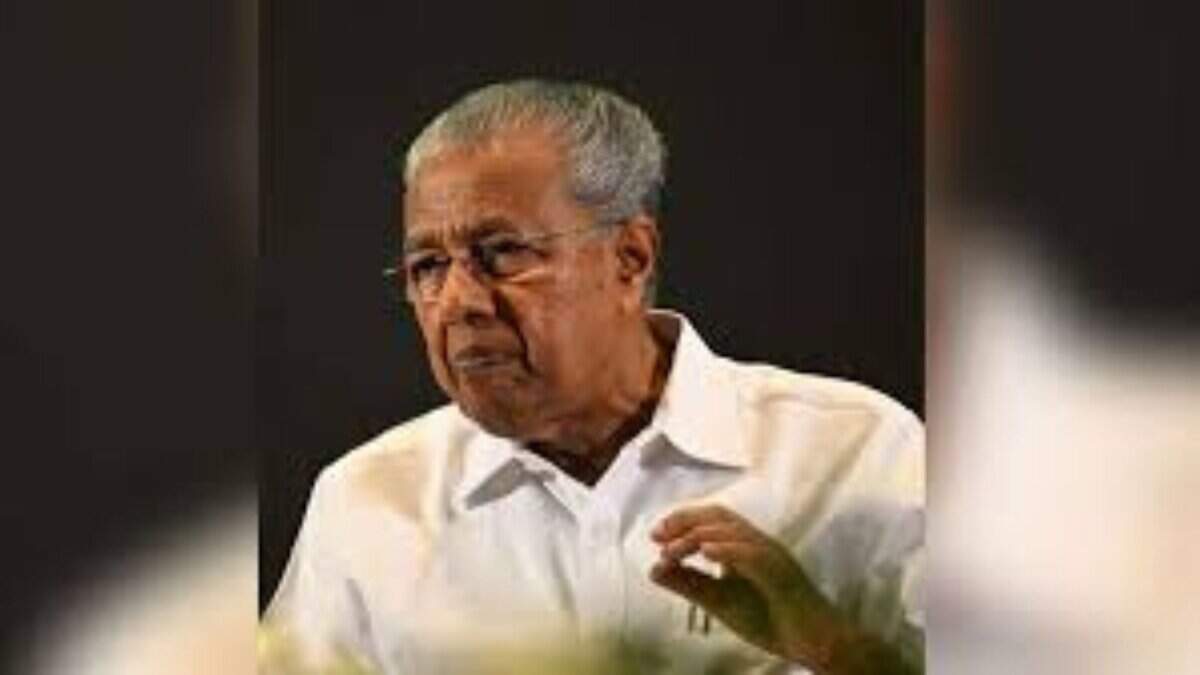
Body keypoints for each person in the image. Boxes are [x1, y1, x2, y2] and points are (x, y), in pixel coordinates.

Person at [261, 79, 924, 674]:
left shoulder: (857, 456)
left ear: (630, 258)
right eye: (428, 266)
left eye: (502, 252)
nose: (457, 301)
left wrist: (834, 649)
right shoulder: (366, 501)